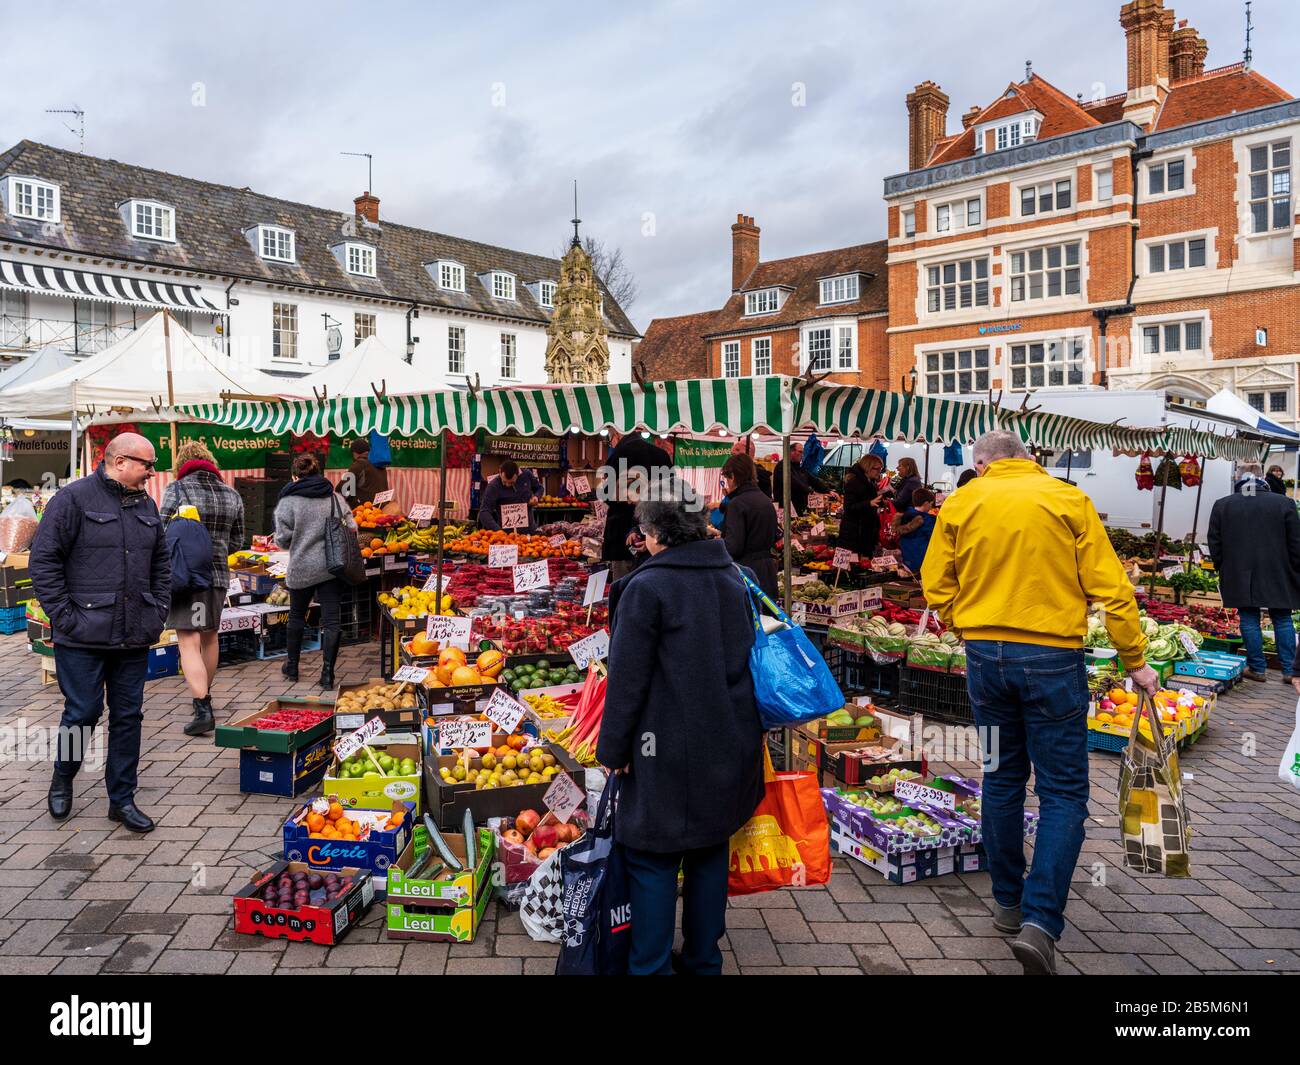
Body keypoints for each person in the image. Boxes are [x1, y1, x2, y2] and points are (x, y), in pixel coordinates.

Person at [921, 430, 1155, 976]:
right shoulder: (1068, 498)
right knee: (1063, 791)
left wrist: (961, 622)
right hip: (1052, 657)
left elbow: (935, 581)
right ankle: (1041, 921)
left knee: (1001, 776)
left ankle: (1008, 903)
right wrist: (1134, 658)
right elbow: (1113, 589)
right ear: (1030, 458)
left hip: (984, 656)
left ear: (982, 465)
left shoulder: (962, 501)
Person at [597, 485, 765, 975]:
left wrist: (614, 748)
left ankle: (650, 966)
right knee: (710, 849)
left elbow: (627, 681)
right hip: (731, 739)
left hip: (662, 749)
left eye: (644, 531)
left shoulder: (646, 588)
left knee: (652, 858)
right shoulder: (741, 577)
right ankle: (702, 961)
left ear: (655, 534)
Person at [30, 432, 170, 833]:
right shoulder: (72, 500)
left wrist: (157, 610)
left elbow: (161, 564)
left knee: (129, 716)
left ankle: (121, 799)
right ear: (120, 461)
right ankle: (63, 777)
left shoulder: (146, 503)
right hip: (82, 634)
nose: (151, 471)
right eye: (147, 464)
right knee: (83, 711)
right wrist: (65, 617)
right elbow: (43, 562)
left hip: (133, 633)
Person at [159, 440, 245, 737]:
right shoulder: (232, 494)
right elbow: (237, 541)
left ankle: (202, 705)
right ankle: (204, 697)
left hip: (187, 578)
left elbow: (159, 532)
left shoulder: (177, 489)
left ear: (181, 464)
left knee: (187, 640)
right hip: (219, 577)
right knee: (209, 637)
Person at [1208, 463, 1300, 683]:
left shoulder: (1223, 505)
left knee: (1249, 617)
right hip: (1278, 570)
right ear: (1263, 479)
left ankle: (1257, 668)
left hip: (1239, 571)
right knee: (1283, 618)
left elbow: (1215, 542)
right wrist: (1295, 569)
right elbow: (1296, 543)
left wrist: (1222, 566)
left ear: (1238, 479)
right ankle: (1289, 671)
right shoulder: (1284, 503)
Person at [274, 453, 356, 688]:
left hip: (301, 567)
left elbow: (282, 540)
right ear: (318, 473)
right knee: (332, 621)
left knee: (297, 616)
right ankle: (328, 674)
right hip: (331, 567)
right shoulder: (335, 498)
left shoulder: (288, 501)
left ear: (295, 476)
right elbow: (351, 527)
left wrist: (300, 538)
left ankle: (292, 667)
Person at [600, 430, 673, 579]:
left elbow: (608, 495)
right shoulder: (661, 455)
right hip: (657, 532)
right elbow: (671, 492)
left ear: (618, 435)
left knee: (623, 585)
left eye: (610, 439)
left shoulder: (618, 454)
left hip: (622, 531)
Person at [719, 453, 778, 599]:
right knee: (767, 619)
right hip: (768, 573)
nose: (727, 483)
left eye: (727, 478)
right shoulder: (765, 500)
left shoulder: (737, 504)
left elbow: (734, 547)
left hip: (746, 574)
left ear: (732, 476)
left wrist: (717, 543)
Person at [478, 459, 542, 533]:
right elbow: (484, 512)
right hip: (506, 535)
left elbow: (539, 488)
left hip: (529, 531)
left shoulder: (527, 475)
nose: (508, 485)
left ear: (518, 474)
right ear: (500, 472)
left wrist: (536, 497)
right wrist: (498, 530)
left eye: (512, 483)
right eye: (504, 482)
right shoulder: (493, 486)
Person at [771, 441, 833, 516]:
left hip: (798, 508)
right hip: (785, 509)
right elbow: (794, 483)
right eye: (800, 452)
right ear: (791, 452)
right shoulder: (782, 466)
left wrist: (828, 490)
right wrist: (811, 492)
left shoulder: (798, 467)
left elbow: (813, 480)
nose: (802, 455)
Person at [839, 453, 883, 558]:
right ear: (868, 468)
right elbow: (849, 507)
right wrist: (869, 503)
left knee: (864, 562)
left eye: (880, 469)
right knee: (854, 563)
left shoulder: (869, 481)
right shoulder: (854, 482)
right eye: (877, 469)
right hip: (854, 532)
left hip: (864, 530)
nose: (879, 472)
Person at [894, 487, 936, 575]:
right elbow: (933, 537)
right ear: (926, 503)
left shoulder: (905, 515)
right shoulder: (926, 519)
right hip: (922, 557)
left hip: (906, 557)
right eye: (931, 504)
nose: (931, 507)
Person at [341, 437, 388, 510]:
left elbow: (343, 488)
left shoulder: (359, 464)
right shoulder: (380, 464)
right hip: (383, 509)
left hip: (366, 512)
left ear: (355, 453)